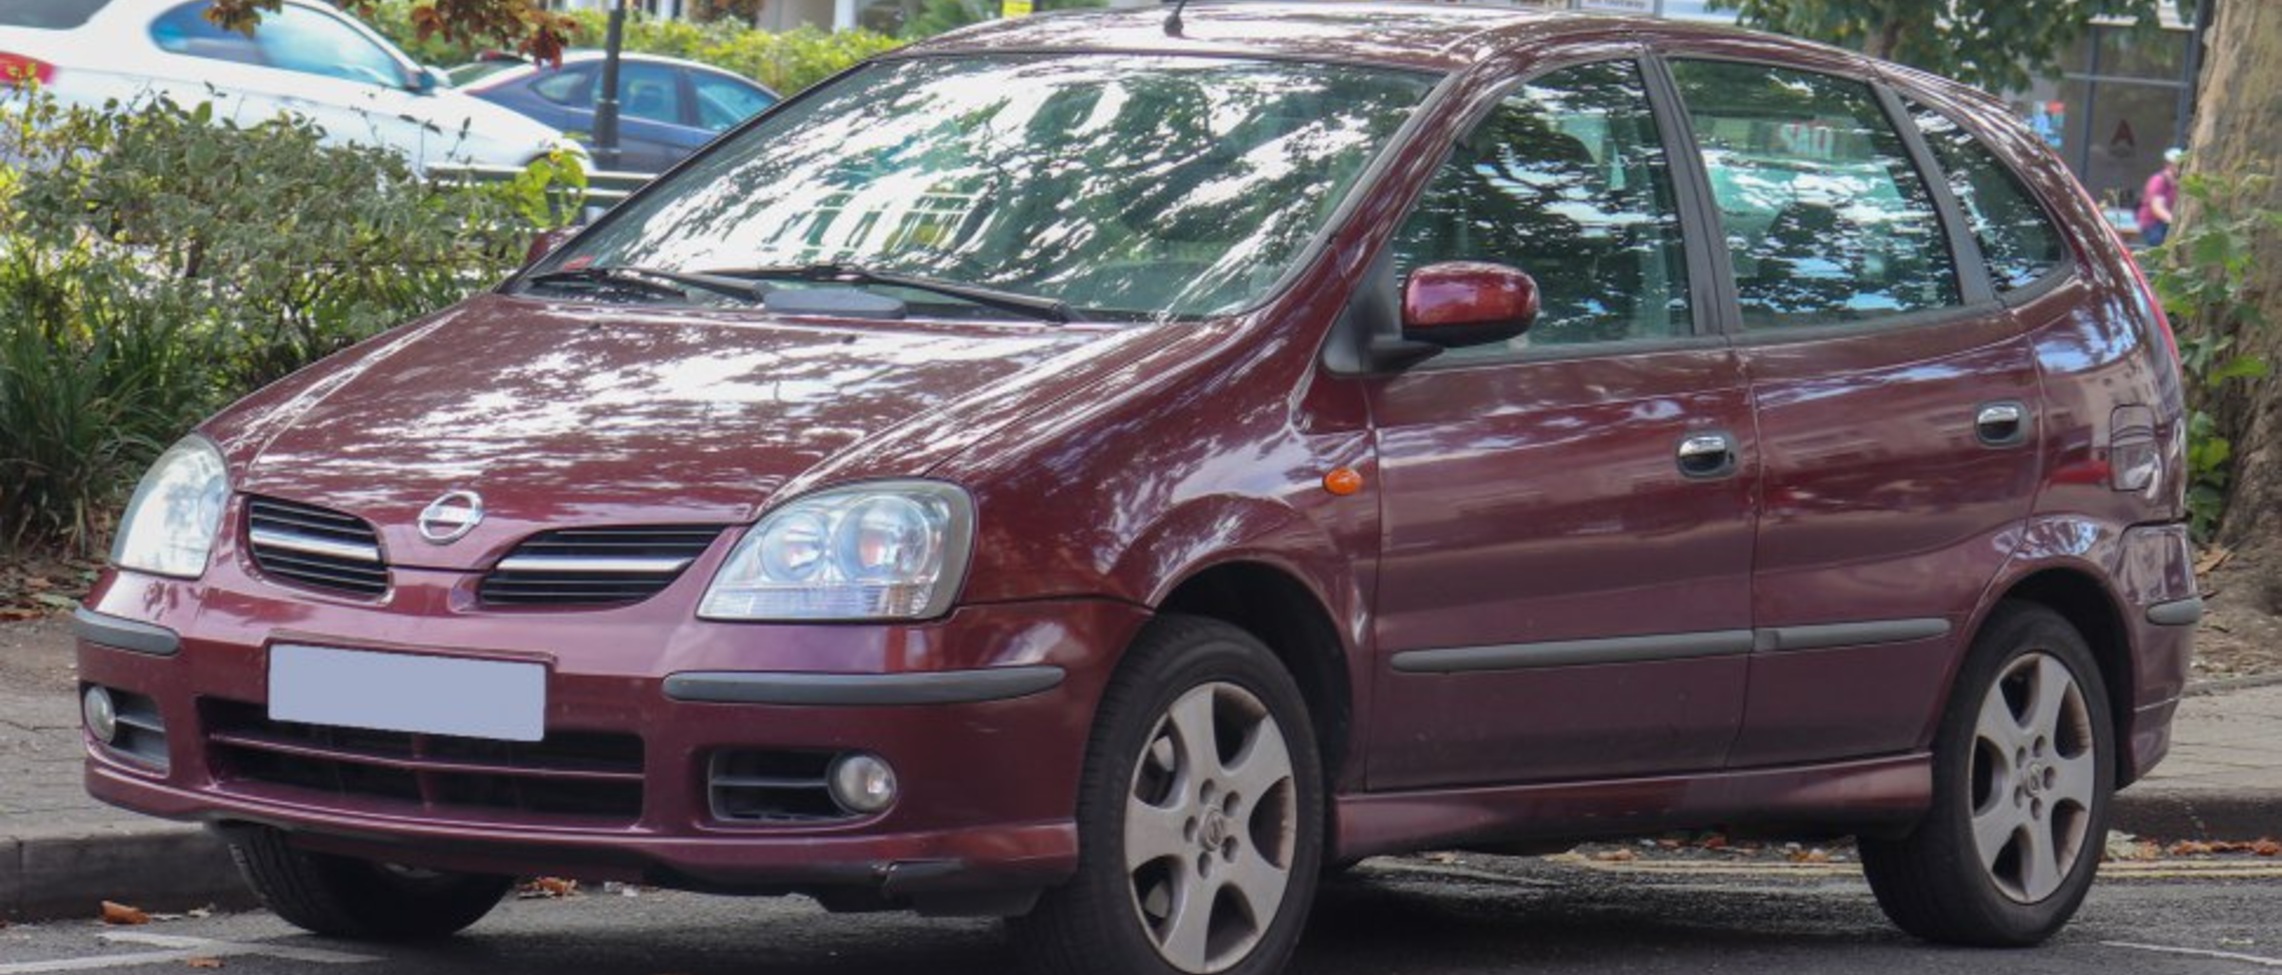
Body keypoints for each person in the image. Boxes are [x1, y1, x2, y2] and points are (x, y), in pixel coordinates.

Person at [2138, 147, 2184, 247]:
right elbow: (2157, 208)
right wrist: (2175, 222)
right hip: (2153, 224)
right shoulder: (2159, 181)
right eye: (2178, 165)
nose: (2181, 168)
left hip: (2167, 223)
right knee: (2158, 247)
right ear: (2168, 165)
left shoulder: (2177, 183)